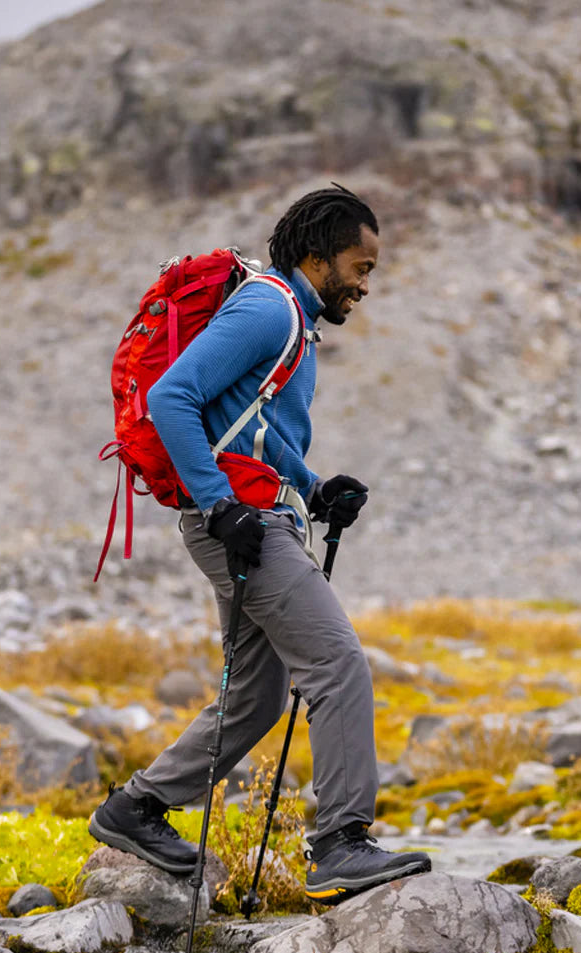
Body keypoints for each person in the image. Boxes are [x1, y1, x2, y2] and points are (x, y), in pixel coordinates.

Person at [89, 184, 431, 905]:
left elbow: (253, 427)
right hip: (241, 524)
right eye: (360, 267)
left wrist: (312, 486)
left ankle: (137, 809)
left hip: (253, 516)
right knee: (337, 663)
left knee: (258, 691)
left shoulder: (290, 319)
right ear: (318, 255)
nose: (366, 285)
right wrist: (219, 508)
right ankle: (341, 842)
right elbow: (172, 398)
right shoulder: (270, 307)